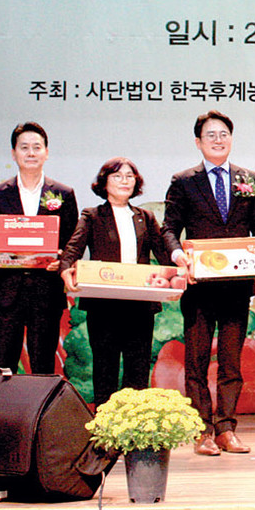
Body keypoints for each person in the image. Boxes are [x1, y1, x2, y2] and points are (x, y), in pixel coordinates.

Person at [161, 110, 255, 456]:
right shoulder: (183, 181)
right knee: (195, 361)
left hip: (236, 286)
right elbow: (169, 228)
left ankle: (226, 429)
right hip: (199, 285)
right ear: (198, 142)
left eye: (223, 134)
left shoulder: (249, 179)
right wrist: (177, 254)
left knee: (231, 362)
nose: (218, 140)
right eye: (210, 135)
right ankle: (202, 431)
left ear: (231, 139)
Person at [60, 157, 171, 406]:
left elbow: (164, 254)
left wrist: (181, 272)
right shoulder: (92, 215)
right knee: (105, 368)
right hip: (104, 305)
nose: (124, 181)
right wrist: (66, 269)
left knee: (138, 370)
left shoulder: (146, 217)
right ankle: (104, 425)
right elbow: (73, 248)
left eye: (130, 176)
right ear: (104, 182)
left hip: (140, 305)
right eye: (117, 176)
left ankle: (137, 425)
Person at [0, 122, 79, 375]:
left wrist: (63, 261)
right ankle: (3, 403)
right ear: (14, 153)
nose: (31, 153)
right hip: (5, 291)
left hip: (46, 293)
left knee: (43, 366)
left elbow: (72, 242)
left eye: (36, 147)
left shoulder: (63, 193)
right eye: (24, 148)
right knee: (3, 366)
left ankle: (41, 404)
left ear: (46, 152)